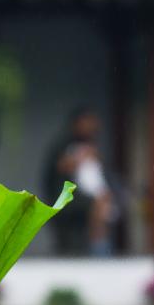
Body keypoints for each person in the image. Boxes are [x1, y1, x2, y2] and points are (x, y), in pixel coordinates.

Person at [43, 107, 115, 256]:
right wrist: (79, 158)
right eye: (87, 122)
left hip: (91, 200)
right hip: (67, 202)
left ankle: (101, 252)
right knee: (70, 246)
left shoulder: (93, 146)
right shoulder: (65, 145)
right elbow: (60, 168)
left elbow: (100, 176)